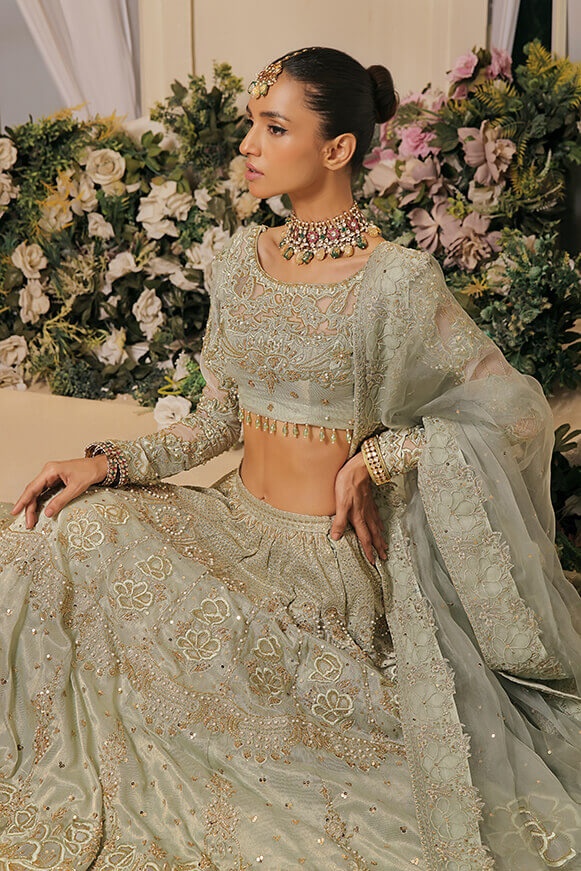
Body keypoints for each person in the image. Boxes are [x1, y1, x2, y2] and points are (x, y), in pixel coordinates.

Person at [1, 45, 580, 871]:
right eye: (252, 125)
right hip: (230, 526)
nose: (249, 144)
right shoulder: (239, 262)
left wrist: (382, 458)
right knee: (61, 530)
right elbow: (216, 420)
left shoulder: (396, 283)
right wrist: (110, 462)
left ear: (336, 148)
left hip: (330, 564)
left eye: (275, 128)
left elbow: (512, 410)